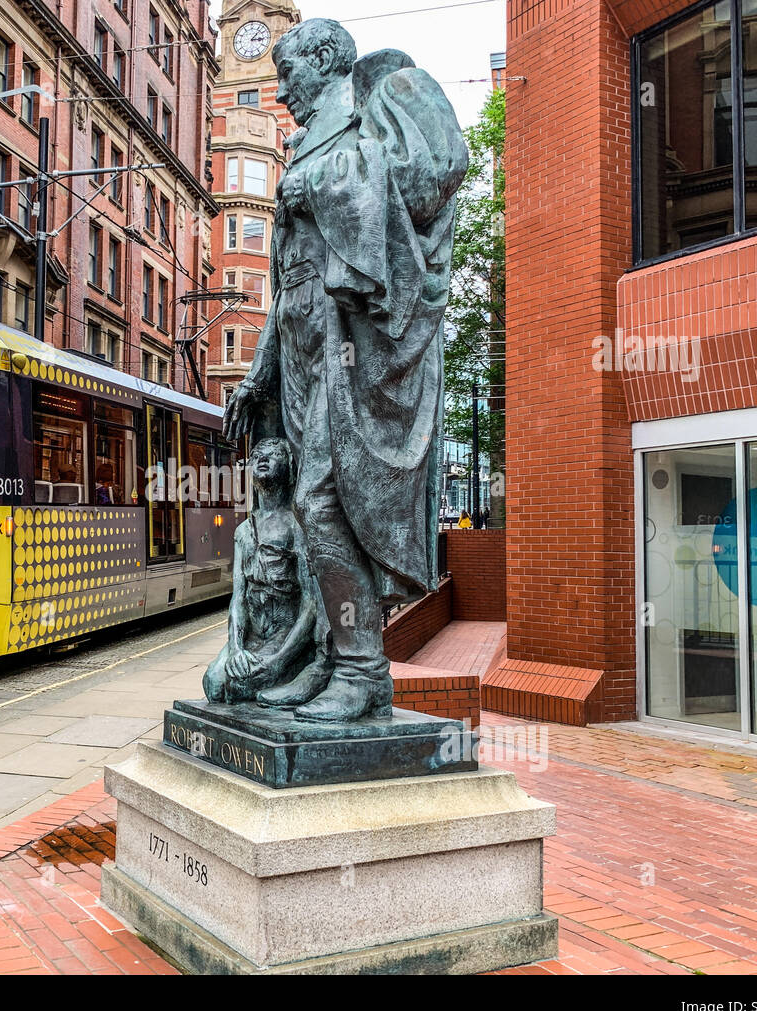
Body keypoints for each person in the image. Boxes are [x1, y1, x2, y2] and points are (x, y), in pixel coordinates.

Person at [223, 19, 467, 721]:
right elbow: (286, 283)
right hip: (302, 352)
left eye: (290, 71)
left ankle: (362, 671)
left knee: (326, 502)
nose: (281, 89)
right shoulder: (305, 145)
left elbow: (429, 181)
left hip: (349, 349)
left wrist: (321, 182)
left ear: (326, 59)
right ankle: (330, 659)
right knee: (308, 506)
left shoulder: (377, 109)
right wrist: (258, 373)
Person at [203, 438, 320, 705]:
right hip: (252, 637)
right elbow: (238, 598)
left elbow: (311, 604)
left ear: (289, 467)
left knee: (237, 688)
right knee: (214, 684)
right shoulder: (243, 531)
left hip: (285, 636)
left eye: (273, 454)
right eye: (257, 456)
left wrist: (279, 661)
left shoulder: (297, 527)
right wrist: (236, 649)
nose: (263, 459)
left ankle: (295, 673)